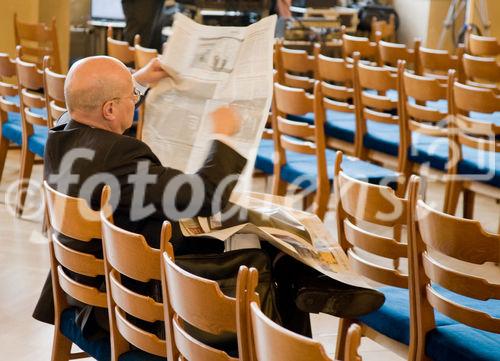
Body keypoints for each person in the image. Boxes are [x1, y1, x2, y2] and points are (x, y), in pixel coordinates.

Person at [33, 56, 384, 341]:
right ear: (109, 110)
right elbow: (206, 196)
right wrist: (223, 137)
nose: (136, 104)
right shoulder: (120, 155)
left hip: (95, 281)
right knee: (252, 250)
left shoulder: (63, 135)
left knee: (256, 222)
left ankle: (309, 281)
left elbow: (87, 101)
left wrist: (135, 80)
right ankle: (295, 312)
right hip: (133, 302)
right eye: (130, 98)